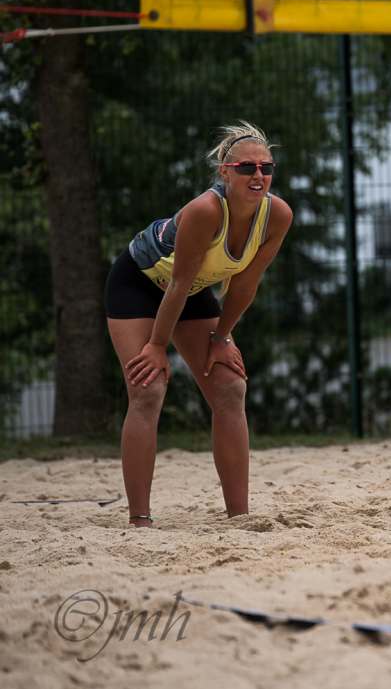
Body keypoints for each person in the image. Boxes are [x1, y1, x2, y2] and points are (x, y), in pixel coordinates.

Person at [104, 122, 293, 525]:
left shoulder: (277, 215)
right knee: (148, 388)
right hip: (138, 284)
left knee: (230, 387)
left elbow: (245, 285)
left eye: (266, 168)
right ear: (225, 172)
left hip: (188, 290)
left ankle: (239, 516)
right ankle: (140, 520)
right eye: (247, 167)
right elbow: (176, 284)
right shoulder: (206, 210)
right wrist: (157, 346)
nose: (258, 175)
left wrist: (222, 338)